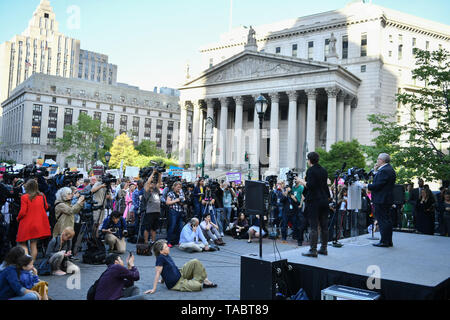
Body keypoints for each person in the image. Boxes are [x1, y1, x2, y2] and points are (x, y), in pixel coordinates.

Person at [145, 240, 217, 294]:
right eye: (166, 247)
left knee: (195, 261)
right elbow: (158, 272)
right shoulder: (160, 258)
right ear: (161, 251)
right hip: (176, 284)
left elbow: (164, 271)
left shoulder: (166, 255)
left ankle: (205, 281)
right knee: (198, 286)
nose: (168, 247)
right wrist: (153, 289)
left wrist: (162, 280)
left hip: (180, 273)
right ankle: (197, 281)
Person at [298, 152, 330, 257]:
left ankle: (313, 250)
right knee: (324, 226)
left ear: (309, 160)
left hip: (314, 201)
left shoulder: (311, 171)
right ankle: (324, 248)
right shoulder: (324, 170)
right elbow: (324, 186)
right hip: (324, 200)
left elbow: (310, 186)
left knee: (314, 226)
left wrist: (301, 181)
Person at [363, 153, 397, 247]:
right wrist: (375, 171)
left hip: (381, 199)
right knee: (387, 220)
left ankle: (384, 241)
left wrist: (366, 185)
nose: (377, 161)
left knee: (382, 220)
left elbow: (377, 185)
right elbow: (380, 181)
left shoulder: (384, 170)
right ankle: (388, 241)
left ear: (382, 160)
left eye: (378, 159)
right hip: (386, 199)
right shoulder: (388, 169)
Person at [16, 179, 51, 261]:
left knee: (22, 243)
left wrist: (18, 218)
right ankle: (31, 264)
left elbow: (23, 212)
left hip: (26, 223)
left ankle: (26, 263)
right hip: (38, 223)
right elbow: (46, 207)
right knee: (33, 244)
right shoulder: (42, 196)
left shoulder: (24, 197)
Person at [142, 170, 163, 244]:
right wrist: (153, 172)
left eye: (153, 183)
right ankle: (146, 242)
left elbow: (159, 183)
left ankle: (153, 241)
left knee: (154, 228)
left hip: (157, 211)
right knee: (147, 228)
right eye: (152, 183)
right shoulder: (147, 191)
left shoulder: (156, 190)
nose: (153, 184)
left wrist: (160, 174)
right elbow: (148, 182)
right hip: (150, 212)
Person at [166, 182, 185, 247]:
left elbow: (183, 201)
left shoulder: (181, 193)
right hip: (173, 211)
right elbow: (167, 202)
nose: (179, 188)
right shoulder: (170, 193)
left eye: (180, 187)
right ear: (174, 187)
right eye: (177, 187)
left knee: (180, 227)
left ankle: (179, 241)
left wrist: (183, 201)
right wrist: (176, 200)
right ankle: (169, 242)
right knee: (172, 226)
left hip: (180, 211)